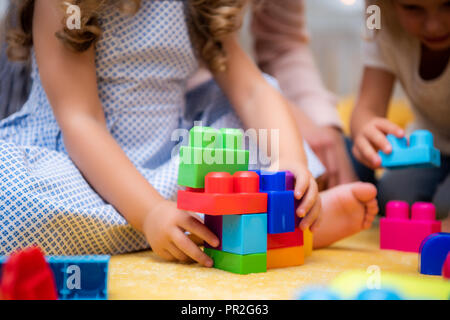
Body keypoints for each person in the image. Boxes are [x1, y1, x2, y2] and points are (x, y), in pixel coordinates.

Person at [0, 0, 378, 262]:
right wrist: (149, 215)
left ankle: (274, 212)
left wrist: (290, 162)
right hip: (79, 168)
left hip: (175, 169)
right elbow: (80, 121)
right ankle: (247, 232)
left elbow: (251, 90)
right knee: (10, 190)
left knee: (250, 115)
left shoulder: (197, 6)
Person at [188, 0, 358, 190]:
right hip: (210, 101)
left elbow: (282, 46)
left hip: (249, 93)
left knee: (354, 163)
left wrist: (319, 124)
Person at [351, 0, 450, 222]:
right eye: (413, 8)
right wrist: (365, 129)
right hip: (433, 144)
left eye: (447, 5)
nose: (433, 26)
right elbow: (367, 107)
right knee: (394, 198)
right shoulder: (382, 26)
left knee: (442, 208)